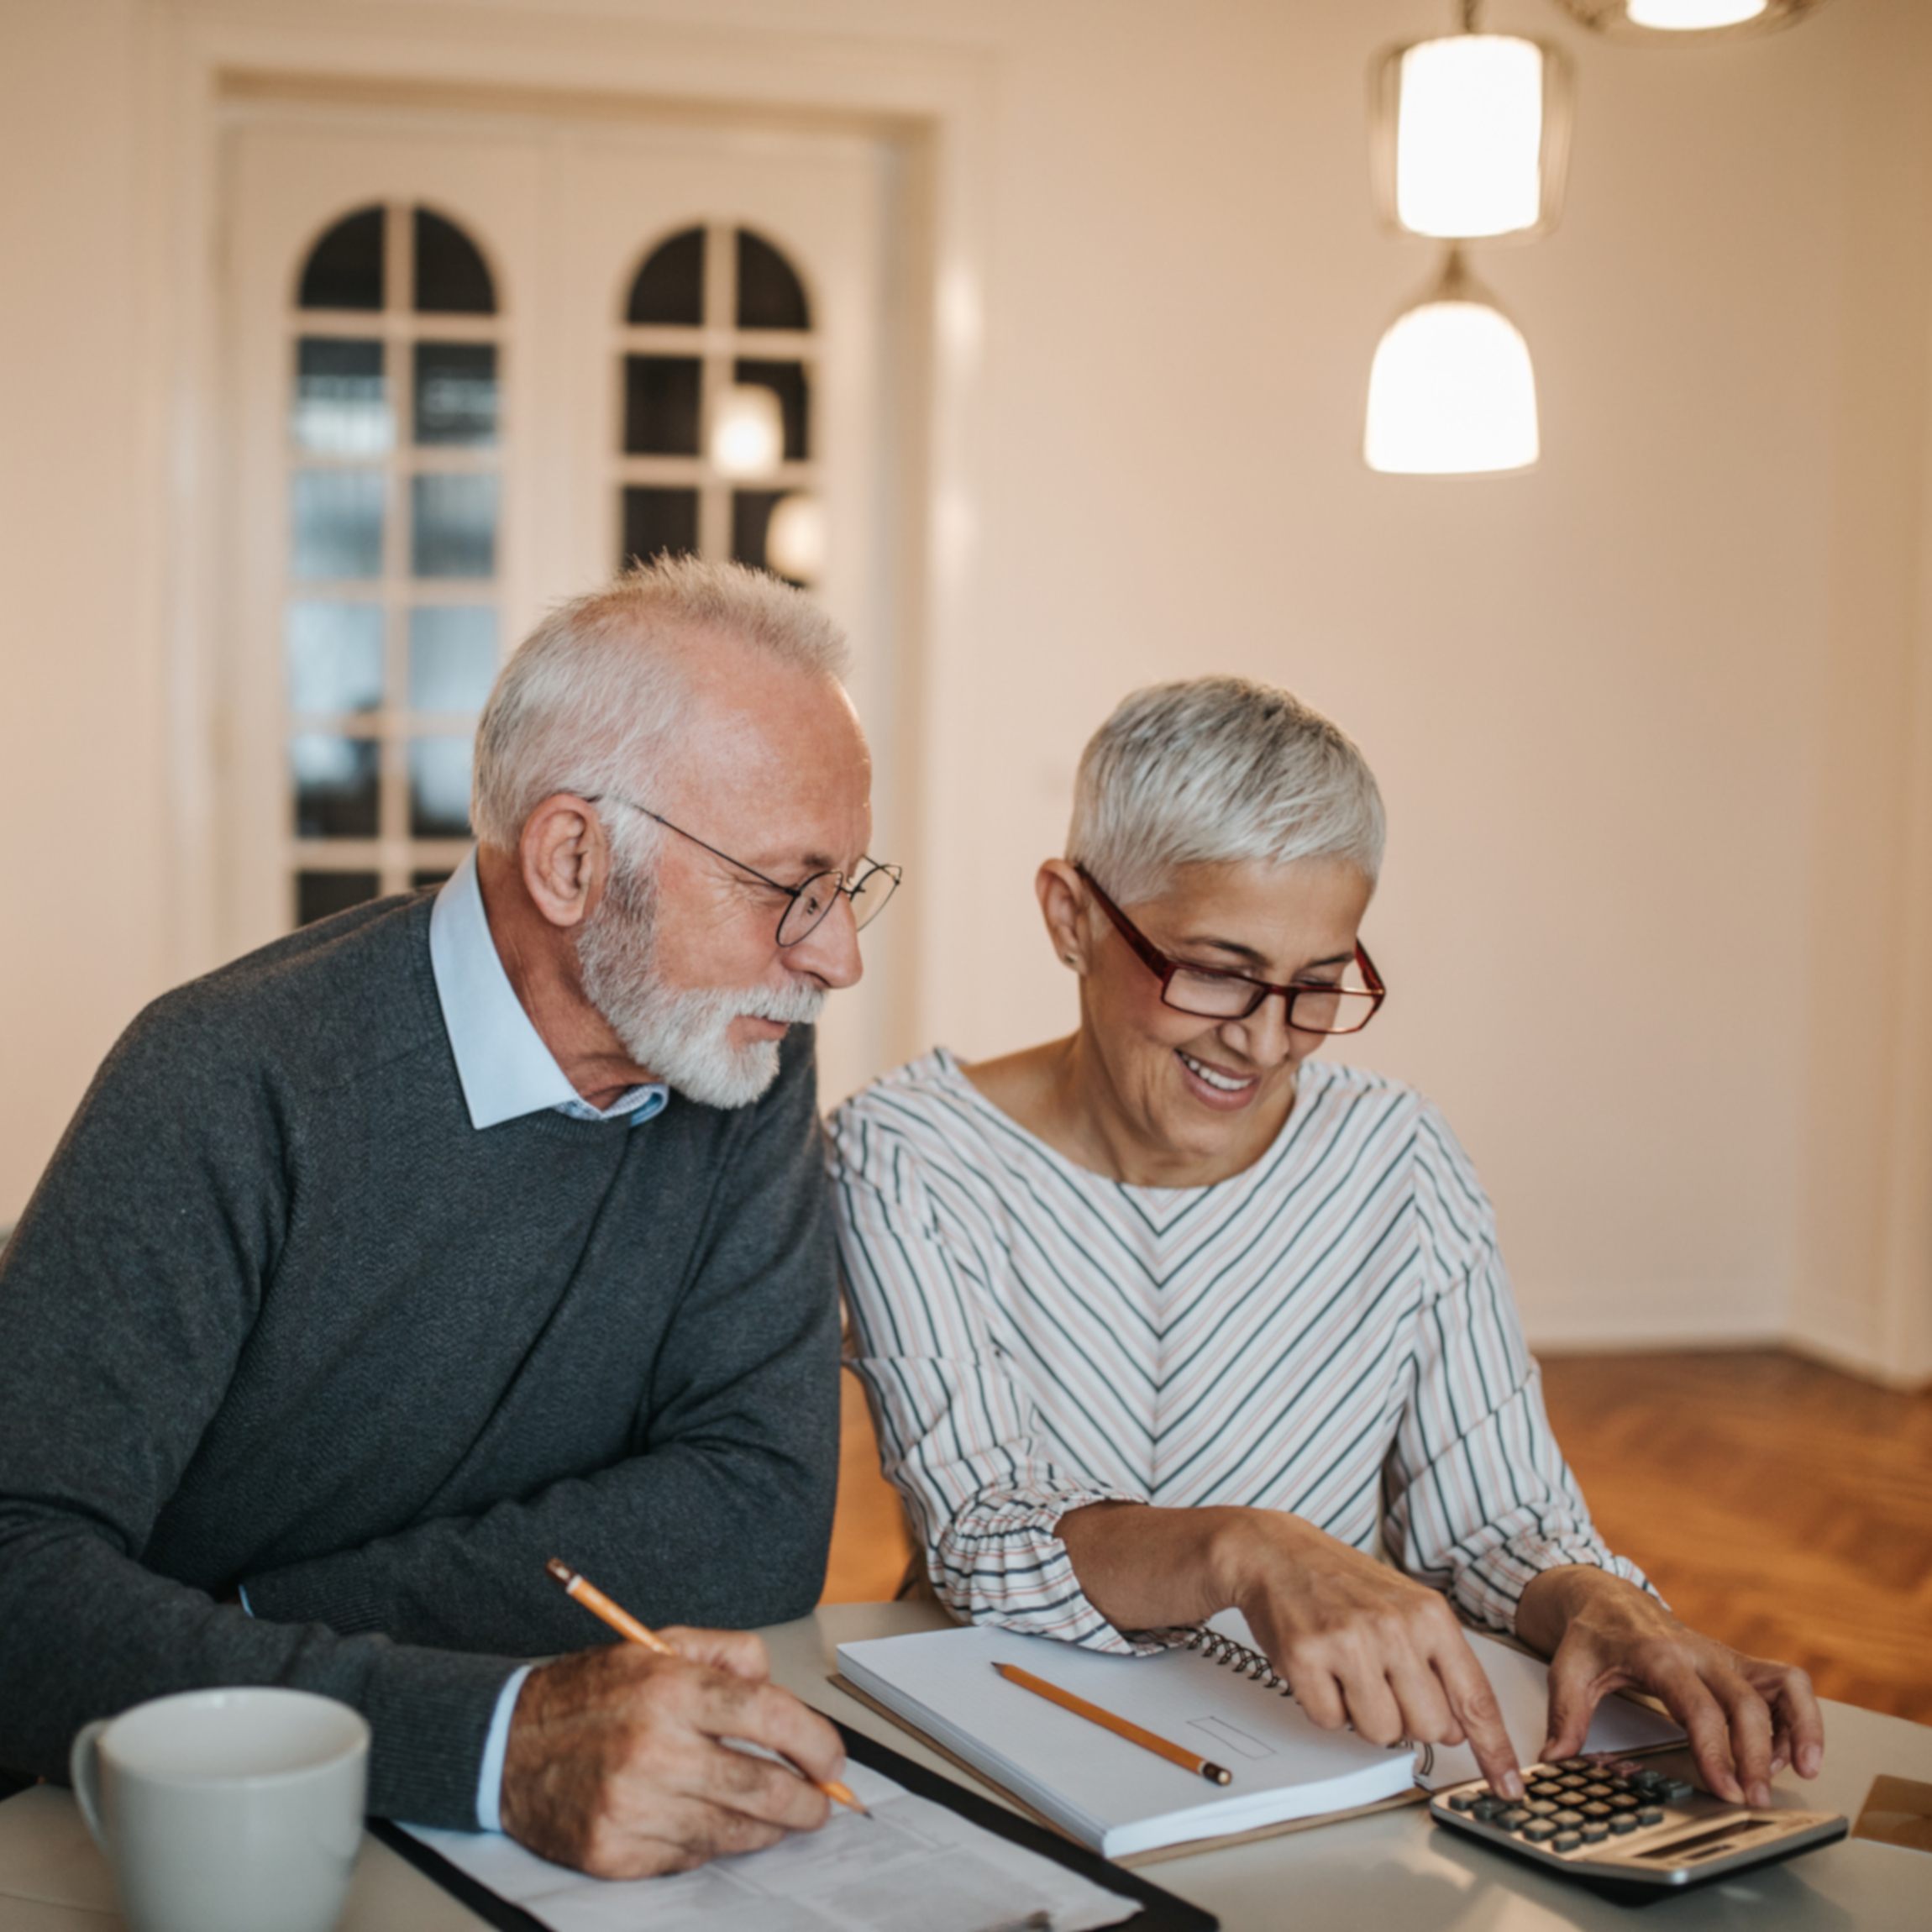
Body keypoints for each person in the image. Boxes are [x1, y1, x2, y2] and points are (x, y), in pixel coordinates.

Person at [0, 558, 901, 1877]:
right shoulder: (226, 1079)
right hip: (168, 1840)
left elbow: (758, 1521)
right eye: (789, 888)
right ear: (573, 858)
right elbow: (19, 1585)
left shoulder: (740, 1053)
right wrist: (489, 1731)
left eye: (849, 888)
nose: (837, 959)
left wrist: (243, 1628)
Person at [832, 675, 1821, 1812]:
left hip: (1334, 1761)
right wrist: (1246, 1550)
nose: (1262, 1042)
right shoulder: (908, 1154)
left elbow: (1496, 1523)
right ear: (1071, 916)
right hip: (1016, 1751)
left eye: (1315, 986)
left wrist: (1602, 1601)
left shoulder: (1397, 1157)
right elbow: (981, 1536)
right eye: (1215, 971)